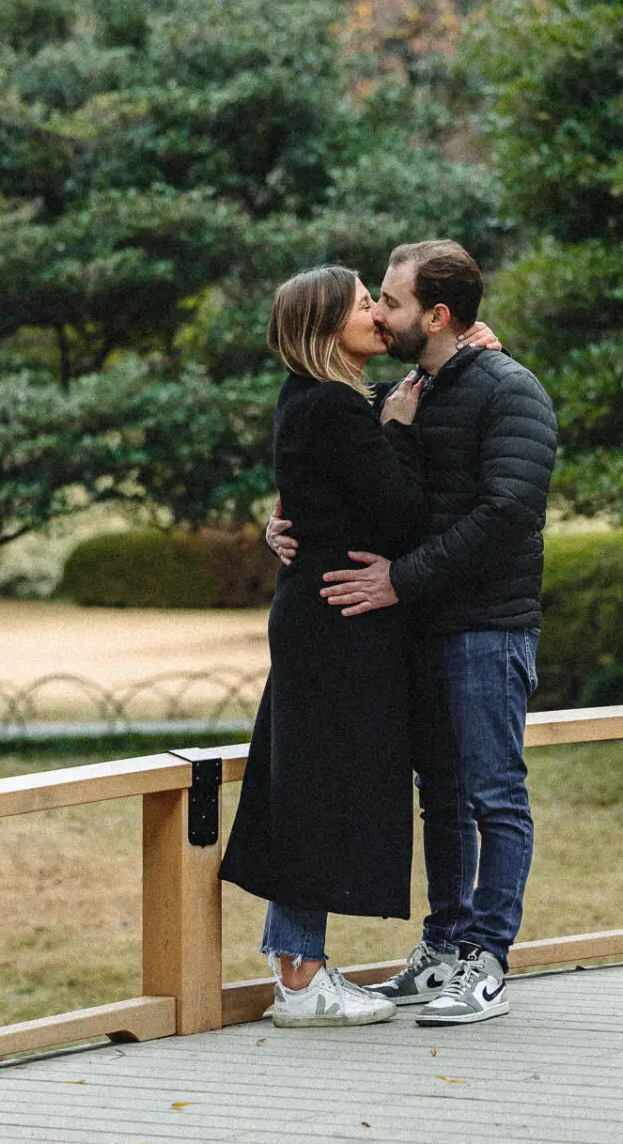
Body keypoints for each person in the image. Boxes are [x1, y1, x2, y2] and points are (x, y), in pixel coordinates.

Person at [268, 238, 557, 1027]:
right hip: (416, 628)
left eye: (389, 302)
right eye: (372, 301)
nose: (380, 314)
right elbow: (347, 482)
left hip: (485, 626)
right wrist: (286, 524)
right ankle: (444, 947)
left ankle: (486, 960)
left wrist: (400, 577)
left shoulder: (508, 389)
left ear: (435, 316)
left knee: (494, 794)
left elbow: (507, 514)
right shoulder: (399, 392)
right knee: (443, 800)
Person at [219, 265, 428, 1029]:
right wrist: (397, 428)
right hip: (339, 622)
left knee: (306, 780)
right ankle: (302, 979)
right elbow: (400, 509)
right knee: (318, 788)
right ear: (326, 324)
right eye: (365, 304)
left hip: (317, 616)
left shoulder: (310, 397)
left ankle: (298, 965)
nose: (378, 314)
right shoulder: (336, 407)